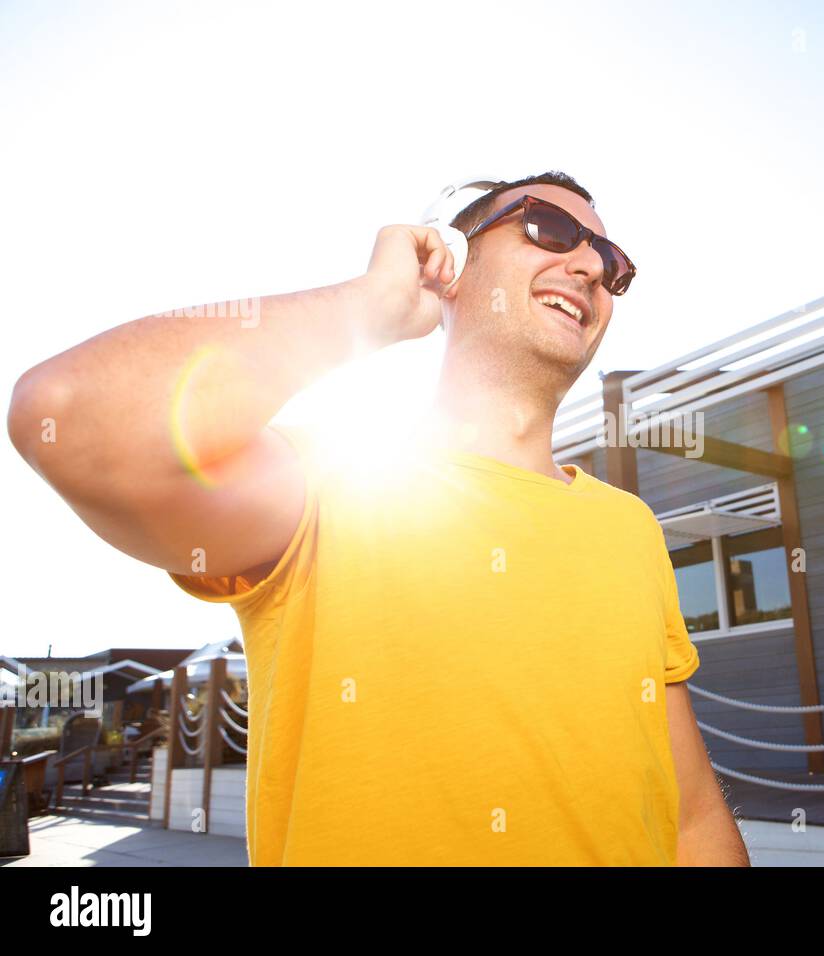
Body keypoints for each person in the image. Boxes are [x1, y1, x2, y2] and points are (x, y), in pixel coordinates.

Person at [8, 171, 749, 866]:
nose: (590, 265)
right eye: (550, 228)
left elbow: (691, 817)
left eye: (612, 261)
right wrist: (371, 307)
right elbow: (66, 417)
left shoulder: (631, 530)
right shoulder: (330, 485)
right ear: (451, 263)